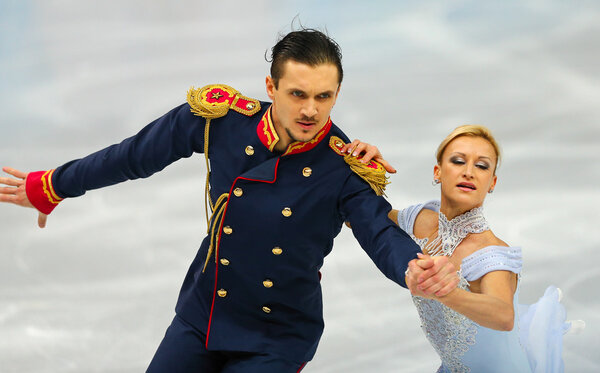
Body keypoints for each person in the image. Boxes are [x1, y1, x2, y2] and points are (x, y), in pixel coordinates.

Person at [0, 29, 458, 372]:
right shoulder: (222, 120)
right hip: (206, 311)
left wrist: (411, 267)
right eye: (297, 94)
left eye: (324, 97)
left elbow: (378, 231)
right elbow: (136, 155)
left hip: (276, 334)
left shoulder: (345, 168)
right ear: (271, 87)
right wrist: (55, 185)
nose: (310, 111)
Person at [344, 125, 583, 373]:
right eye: (458, 161)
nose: (469, 172)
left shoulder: (490, 252)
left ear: (492, 182)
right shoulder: (420, 222)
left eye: (482, 166)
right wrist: (358, 166)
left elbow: (504, 316)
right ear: (438, 172)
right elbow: (361, 218)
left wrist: (443, 291)